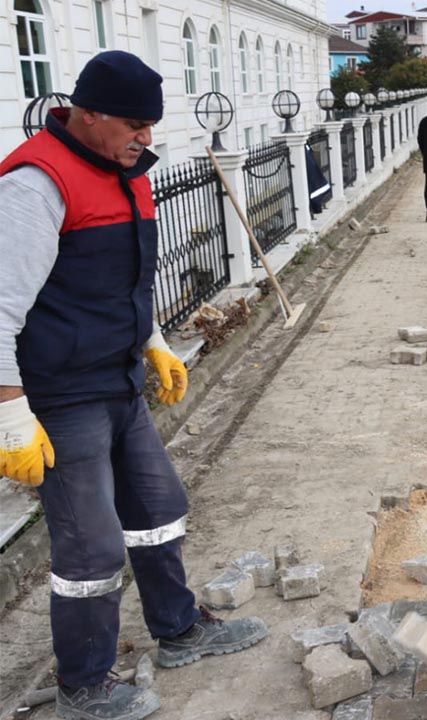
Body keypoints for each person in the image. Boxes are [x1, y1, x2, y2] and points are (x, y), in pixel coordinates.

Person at [0, 51, 266, 720]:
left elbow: (127, 278)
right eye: (135, 125)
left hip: (117, 379)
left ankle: (177, 631)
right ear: (88, 115)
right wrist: (9, 414)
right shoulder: (36, 185)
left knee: (156, 509)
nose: (147, 138)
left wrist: (151, 342)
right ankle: (83, 687)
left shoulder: (129, 173)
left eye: (153, 124)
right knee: (90, 547)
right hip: (61, 395)